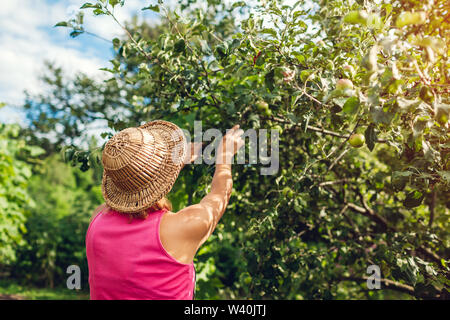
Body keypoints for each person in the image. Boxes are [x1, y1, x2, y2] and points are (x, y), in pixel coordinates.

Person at [86, 120, 244, 300]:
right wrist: (225, 157)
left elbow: (132, 186)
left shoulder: (97, 220)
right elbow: (220, 195)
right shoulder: (183, 227)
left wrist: (172, 164)